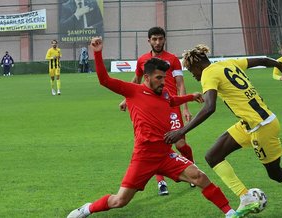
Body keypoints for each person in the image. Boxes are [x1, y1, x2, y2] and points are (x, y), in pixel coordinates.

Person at [67, 37, 239, 218]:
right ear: (147, 77)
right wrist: (98, 52)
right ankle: (87, 209)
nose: (163, 82)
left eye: (164, 77)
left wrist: (189, 97)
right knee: (120, 201)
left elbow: (171, 100)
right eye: (159, 78)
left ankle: (230, 213)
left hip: (165, 154)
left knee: (200, 177)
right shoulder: (132, 91)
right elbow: (104, 80)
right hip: (144, 156)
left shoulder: (163, 92)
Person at [164, 44, 282, 218]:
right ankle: (245, 197)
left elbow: (209, 107)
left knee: (275, 172)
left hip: (262, 126)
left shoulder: (208, 73)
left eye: (191, 71)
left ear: (197, 65)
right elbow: (261, 60)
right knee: (213, 156)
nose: (193, 75)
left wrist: (182, 131)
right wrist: (277, 64)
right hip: (249, 123)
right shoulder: (228, 63)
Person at [119, 26, 196, 195]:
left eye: (160, 39)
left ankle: (192, 166)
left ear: (164, 40)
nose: (158, 42)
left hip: (171, 107)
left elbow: (180, 83)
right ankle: (161, 182)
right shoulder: (142, 60)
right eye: (154, 39)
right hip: (152, 108)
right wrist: (127, 98)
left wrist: (185, 108)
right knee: (157, 145)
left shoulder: (172, 59)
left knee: (180, 144)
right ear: (149, 41)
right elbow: (136, 80)